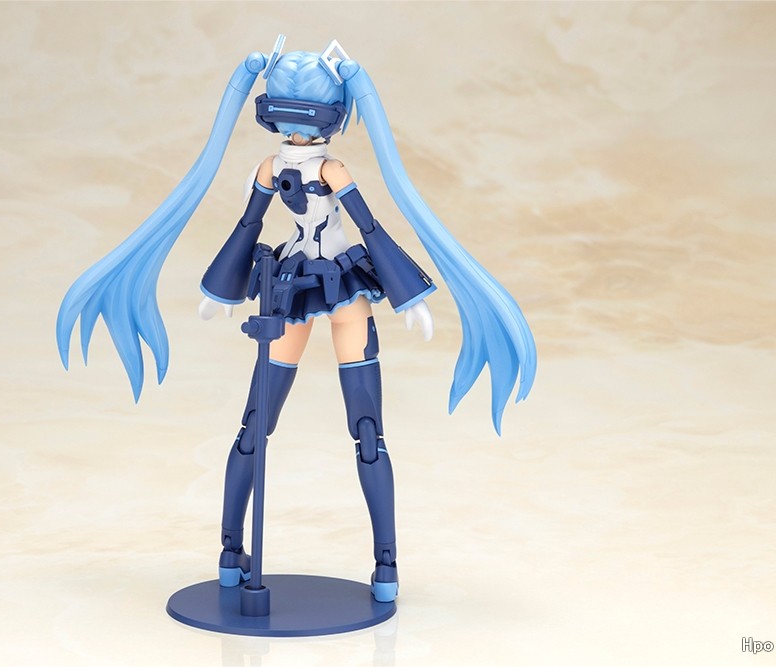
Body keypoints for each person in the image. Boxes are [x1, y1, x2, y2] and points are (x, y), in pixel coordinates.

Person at [56, 37, 536, 604]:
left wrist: (409, 296)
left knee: (362, 432)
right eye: (286, 120)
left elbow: (368, 227)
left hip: (339, 287)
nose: (297, 134)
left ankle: (382, 563)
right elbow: (249, 224)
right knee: (256, 426)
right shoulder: (274, 165)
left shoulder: (330, 168)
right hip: (290, 288)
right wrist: (222, 288)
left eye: (307, 121)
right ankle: (233, 552)